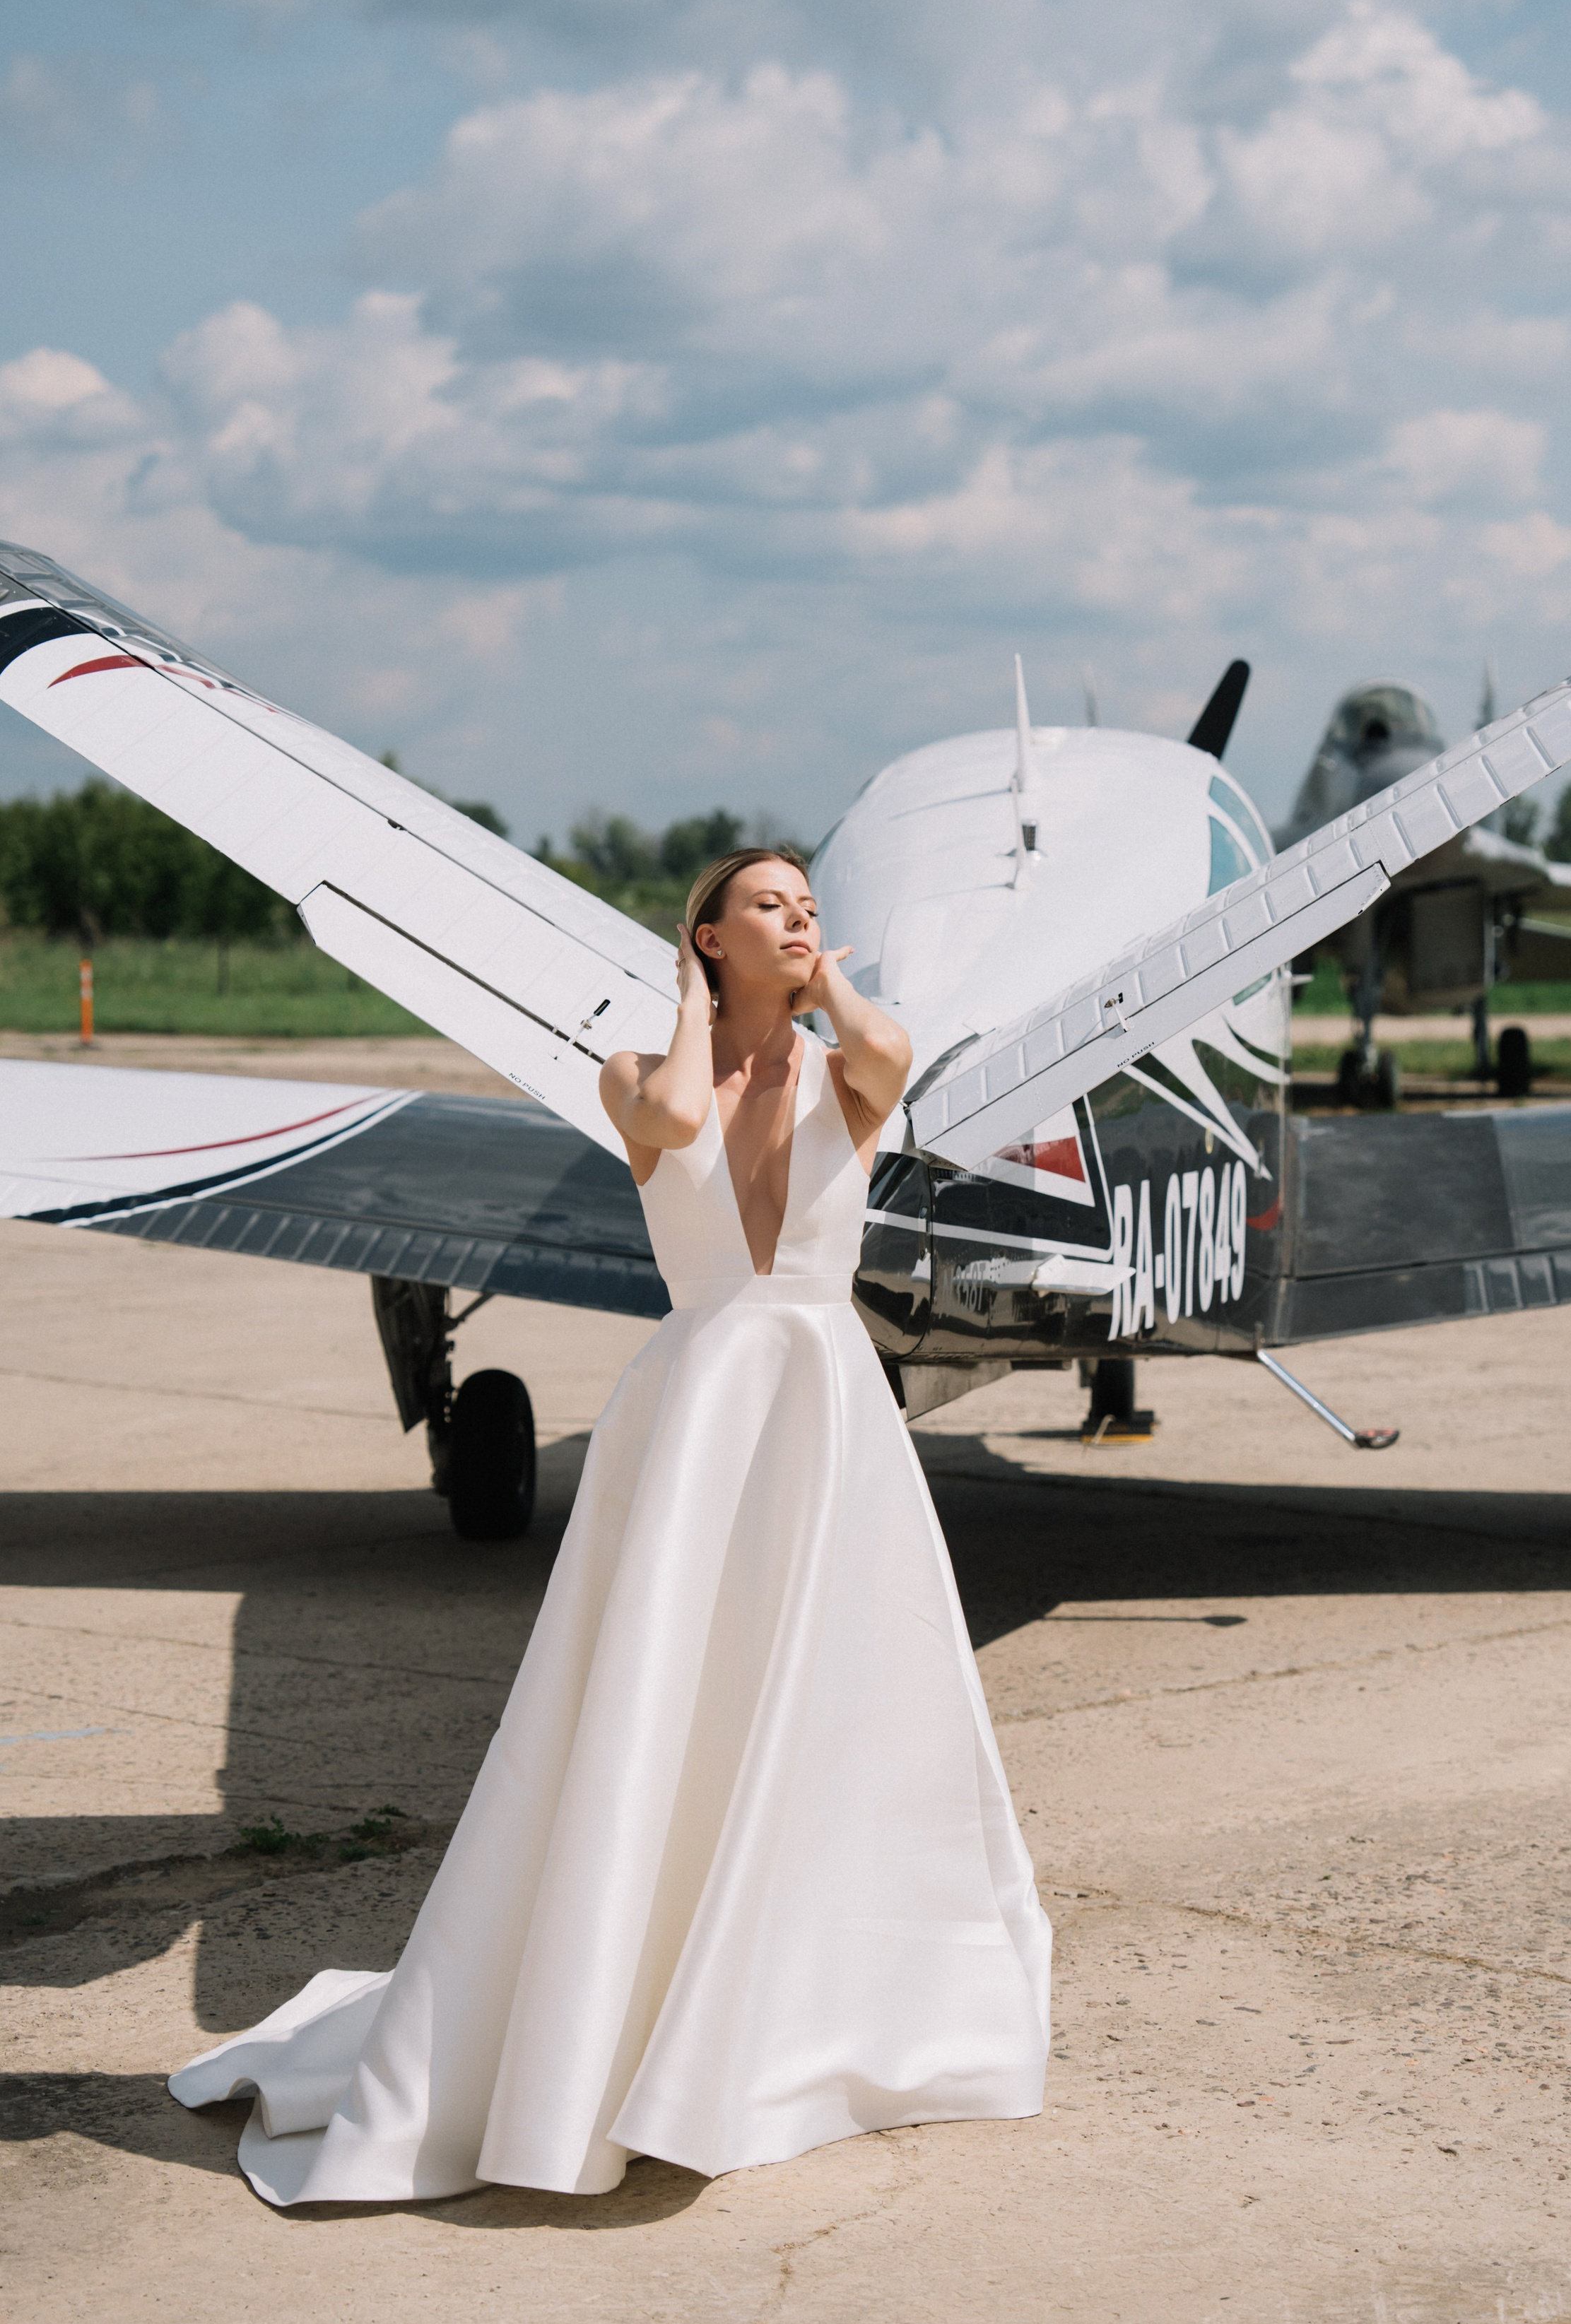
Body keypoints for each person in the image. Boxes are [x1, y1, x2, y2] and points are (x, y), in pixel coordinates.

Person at [170, 849, 1050, 2202]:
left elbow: (893, 1053)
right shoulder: (634, 1075)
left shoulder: (847, 1069)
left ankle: (791, 2020)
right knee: (664, 1697)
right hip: (695, 1416)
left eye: (811, 903)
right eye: (771, 904)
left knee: (832, 1701)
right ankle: (617, 2014)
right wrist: (698, 1007)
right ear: (707, 933)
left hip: (827, 1415)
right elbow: (682, 1119)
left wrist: (816, 990)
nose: (802, 917)